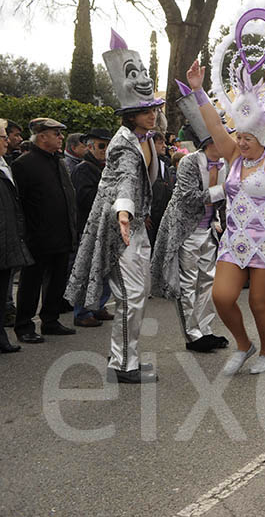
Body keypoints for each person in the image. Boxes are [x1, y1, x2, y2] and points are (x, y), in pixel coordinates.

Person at [188, 5, 265, 376]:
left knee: (259, 302)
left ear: (261, 138)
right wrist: (198, 91)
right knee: (222, 297)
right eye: (237, 136)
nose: (239, 142)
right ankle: (243, 343)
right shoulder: (233, 157)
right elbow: (214, 126)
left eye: (246, 138)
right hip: (236, 240)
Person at [66, 29, 166, 384]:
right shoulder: (124, 143)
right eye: (145, 111)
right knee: (132, 298)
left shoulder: (145, 139)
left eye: (153, 109)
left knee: (135, 297)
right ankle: (124, 365)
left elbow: (145, 179)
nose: (152, 115)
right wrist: (124, 214)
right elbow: (125, 178)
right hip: (119, 231)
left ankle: (126, 357)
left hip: (136, 227)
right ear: (129, 115)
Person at [149, 84, 230, 352]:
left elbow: (223, 202)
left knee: (207, 283)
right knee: (188, 284)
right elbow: (188, 197)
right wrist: (222, 190)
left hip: (209, 230)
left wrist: (222, 222)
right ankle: (192, 335)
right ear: (209, 141)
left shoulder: (226, 164)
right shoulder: (189, 163)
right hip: (186, 232)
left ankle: (205, 329)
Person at [12, 117, 78, 342]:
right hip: (37, 236)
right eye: (56, 133)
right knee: (31, 283)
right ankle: (24, 326)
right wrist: (26, 235)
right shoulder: (24, 164)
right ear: (42, 137)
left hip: (61, 232)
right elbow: (19, 204)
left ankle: (50, 320)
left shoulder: (57, 161)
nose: (61, 138)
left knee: (57, 280)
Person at [70, 128, 115, 326]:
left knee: (105, 271)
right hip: (89, 227)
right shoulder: (84, 169)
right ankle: (82, 313)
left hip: (105, 227)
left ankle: (97, 306)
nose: (105, 150)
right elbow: (85, 198)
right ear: (89, 146)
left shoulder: (107, 168)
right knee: (88, 272)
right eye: (101, 146)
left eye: (108, 145)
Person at [0, 119, 32, 353]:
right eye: (3, 136)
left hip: (7, 239)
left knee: (2, 293)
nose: (6, 140)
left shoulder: (5, 164)